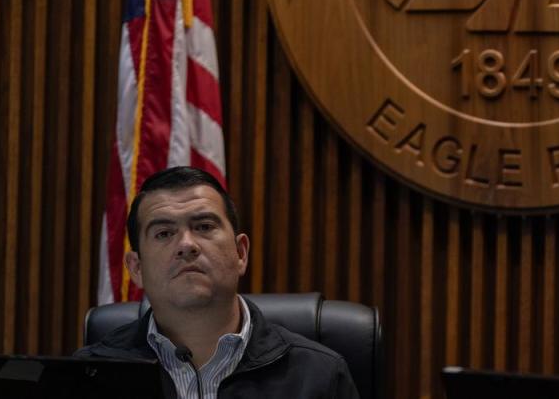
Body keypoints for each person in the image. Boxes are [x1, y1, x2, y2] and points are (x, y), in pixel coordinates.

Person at [76, 166, 359, 399]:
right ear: (136, 268)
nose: (186, 245)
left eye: (204, 227)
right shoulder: (86, 376)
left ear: (240, 253)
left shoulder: (319, 375)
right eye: (163, 233)